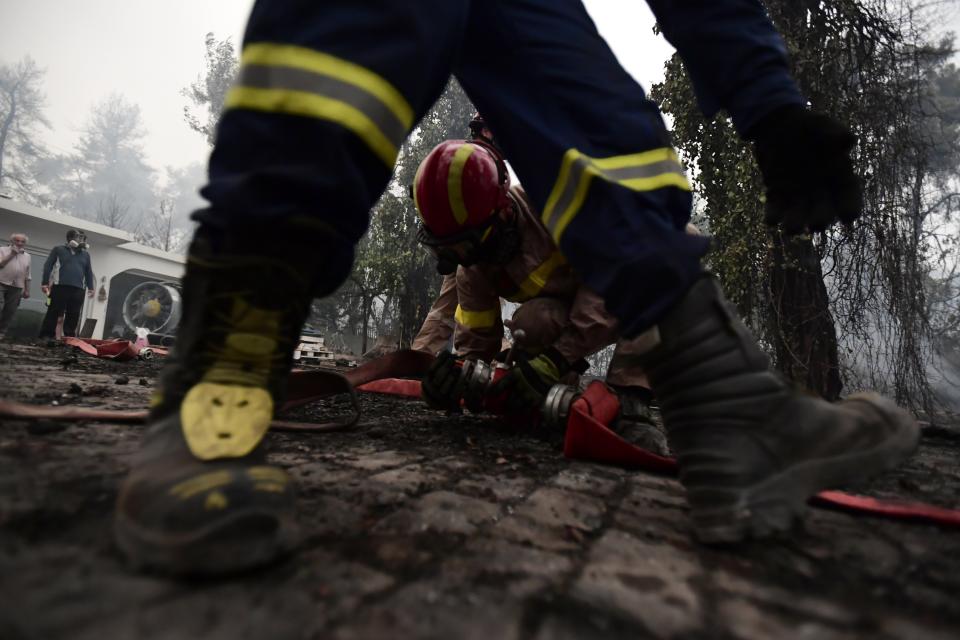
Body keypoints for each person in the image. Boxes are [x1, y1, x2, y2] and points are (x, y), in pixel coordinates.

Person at [114, 0, 917, 576]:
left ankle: (722, 402)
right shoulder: (475, 253)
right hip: (549, 321)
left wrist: (769, 104)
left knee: (594, 115)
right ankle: (219, 390)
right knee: (346, 36)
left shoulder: (532, 220)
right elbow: (465, 317)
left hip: (589, 320)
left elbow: (584, 305)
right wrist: (465, 371)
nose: (476, 251)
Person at [413, 135, 667, 424]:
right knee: (532, 323)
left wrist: (556, 359)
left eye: (464, 244)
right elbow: (477, 345)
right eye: (447, 248)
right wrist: (456, 380)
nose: (461, 257)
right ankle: (554, 400)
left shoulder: (560, 208)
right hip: (575, 304)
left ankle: (631, 401)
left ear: (502, 213)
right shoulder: (473, 264)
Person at [39, 229, 95, 339]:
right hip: (60, 286)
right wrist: (45, 282)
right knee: (53, 312)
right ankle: (46, 335)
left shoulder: (86, 255)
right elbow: (48, 266)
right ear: (70, 238)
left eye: (83, 238)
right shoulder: (58, 249)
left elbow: (88, 271)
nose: (81, 240)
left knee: (74, 314)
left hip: (78, 289)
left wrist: (91, 287)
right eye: (79, 237)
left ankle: (69, 337)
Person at [0, 233, 31, 338]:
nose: (19, 243)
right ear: (12, 241)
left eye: (22, 242)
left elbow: (27, 274)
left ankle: (2, 332)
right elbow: (1, 265)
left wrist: (27, 290)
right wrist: (12, 254)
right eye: (17, 241)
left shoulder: (27, 256)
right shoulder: (2, 250)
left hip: (17, 287)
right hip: (1, 282)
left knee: (10, 310)